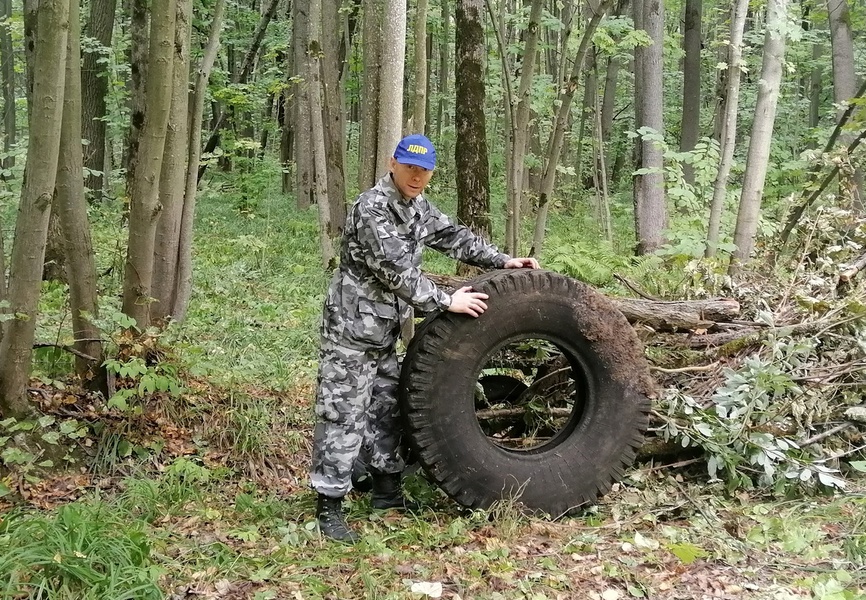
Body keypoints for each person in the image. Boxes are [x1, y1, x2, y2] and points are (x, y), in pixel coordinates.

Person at [310, 133, 539, 542]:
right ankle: (329, 507)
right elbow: (393, 269)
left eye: (425, 170)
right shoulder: (372, 208)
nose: (417, 176)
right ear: (392, 163)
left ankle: (387, 494)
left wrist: (504, 260)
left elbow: (454, 236)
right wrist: (444, 300)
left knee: (386, 410)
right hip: (351, 333)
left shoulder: (415, 207)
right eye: (410, 167)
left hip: (383, 333)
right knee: (342, 415)